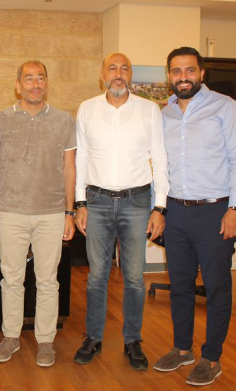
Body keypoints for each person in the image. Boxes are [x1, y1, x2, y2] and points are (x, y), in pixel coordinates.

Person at [154, 46, 236, 386]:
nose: (183, 77)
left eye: (190, 70)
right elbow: (159, 165)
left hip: (215, 211)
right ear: (169, 75)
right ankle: (182, 349)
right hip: (176, 212)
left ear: (201, 73)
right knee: (179, 285)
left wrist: (235, 209)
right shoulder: (163, 115)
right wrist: (159, 208)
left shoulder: (225, 107)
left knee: (216, 288)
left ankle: (211, 357)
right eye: (176, 71)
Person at [73, 52, 169, 370]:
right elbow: (81, 158)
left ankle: (132, 341)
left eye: (124, 68)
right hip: (97, 202)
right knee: (96, 277)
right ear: (102, 75)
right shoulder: (87, 109)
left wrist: (160, 206)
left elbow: (160, 157)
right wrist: (80, 203)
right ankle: (93, 337)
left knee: (135, 278)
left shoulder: (149, 110)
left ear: (131, 75)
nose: (118, 73)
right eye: (112, 68)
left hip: (137, 203)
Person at [0, 60, 76, 367]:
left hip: (51, 213)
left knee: (48, 281)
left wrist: (69, 212)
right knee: (11, 279)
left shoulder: (64, 120)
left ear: (47, 84)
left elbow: (69, 168)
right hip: (10, 212)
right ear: (18, 85)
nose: (35, 84)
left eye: (40, 78)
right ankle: (10, 336)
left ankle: (46, 341)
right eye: (28, 78)